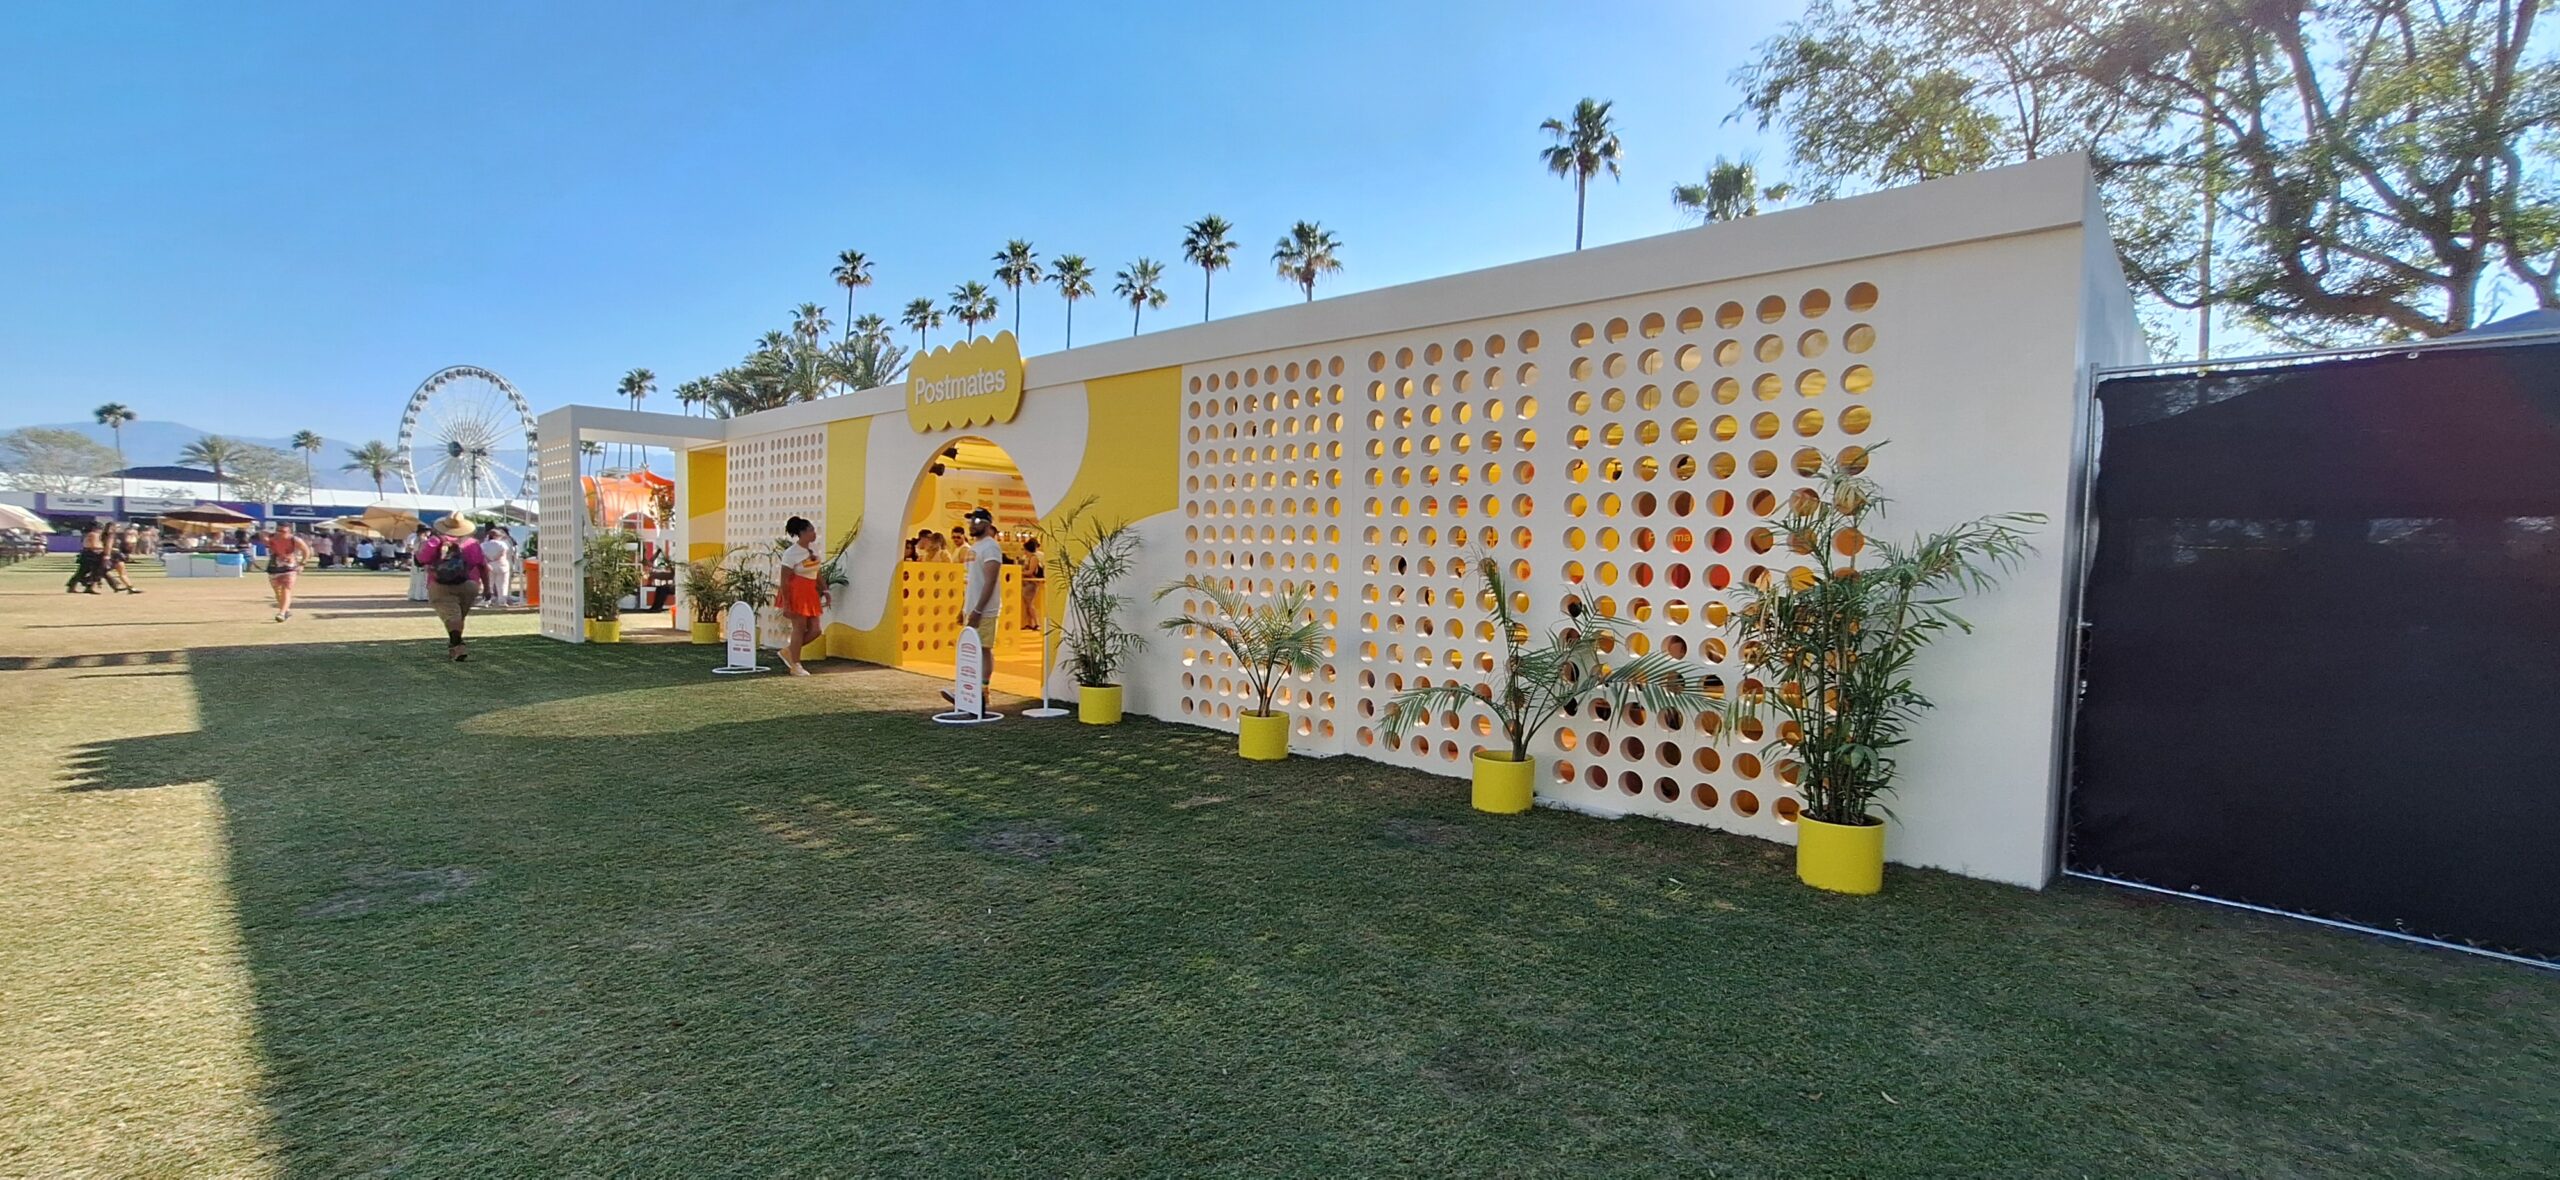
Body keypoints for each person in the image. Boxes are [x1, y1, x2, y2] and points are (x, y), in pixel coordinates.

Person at [944, 508, 1002, 714]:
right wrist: (964, 608)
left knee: (984, 648)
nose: (972, 524)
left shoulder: (991, 548)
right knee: (971, 649)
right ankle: (969, 692)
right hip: (972, 607)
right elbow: (971, 582)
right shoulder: (975, 548)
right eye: (970, 521)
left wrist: (978, 609)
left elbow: (990, 581)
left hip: (985, 609)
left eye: (977, 520)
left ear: (987, 524)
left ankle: (982, 691)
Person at [418, 515, 488, 661]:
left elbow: (421, 559)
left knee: (451, 616)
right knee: (459, 617)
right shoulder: (472, 543)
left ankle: (458, 646)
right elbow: (483, 566)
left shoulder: (435, 541)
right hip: (469, 584)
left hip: (440, 584)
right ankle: (454, 645)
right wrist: (487, 588)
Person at [776, 515, 827, 676]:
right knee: (799, 627)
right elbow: (784, 579)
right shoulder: (791, 553)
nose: (814, 533)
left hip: (810, 592)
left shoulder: (811, 550)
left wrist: (825, 590)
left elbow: (816, 572)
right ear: (802, 532)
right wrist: (787, 603)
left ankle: (788, 652)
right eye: (811, 530)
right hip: (796, 591)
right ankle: (795, 665)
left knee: (816, 630)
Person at [264, 523, 311, 621]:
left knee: (286, 588)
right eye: (278, 531)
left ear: (289, 532)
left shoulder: (295, 540)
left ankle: (281, 613)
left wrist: (302, 564)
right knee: (278, 591)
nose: (280, 534)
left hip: (289, 567)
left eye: (283, 531)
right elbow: (262, 533)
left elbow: (306, 551)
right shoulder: (272, 538)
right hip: (274, 567)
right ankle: (286, 610)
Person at [480, 526, 516, 607]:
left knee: (488, 584)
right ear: (496, 536)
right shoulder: (502, 544)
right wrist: (495, 558)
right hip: (501, 564)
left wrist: (490, 559)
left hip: (489, 565)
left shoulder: (483, 545)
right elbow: (503, 553)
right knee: (503, 584)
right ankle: (502, 601)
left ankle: (486, 601)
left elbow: (482, 555)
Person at [65, 529, 103, 594]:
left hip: (87, 553)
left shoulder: (87, 534)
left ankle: (72, 586)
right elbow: (94, 545)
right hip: (91, 554)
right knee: (92, 571)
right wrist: (102, 547)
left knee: (82, 571)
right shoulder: (94, 534)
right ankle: (87, 586)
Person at [1019, 536, 1045, 628]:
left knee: (1030, 604)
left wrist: (1020, 573)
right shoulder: (1029, 558)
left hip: (1032, 583)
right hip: (1028, 583)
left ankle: (1036, 623)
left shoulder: (1034, 558)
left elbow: (1031, 571)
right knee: (1027, 604)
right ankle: (1030, 623)